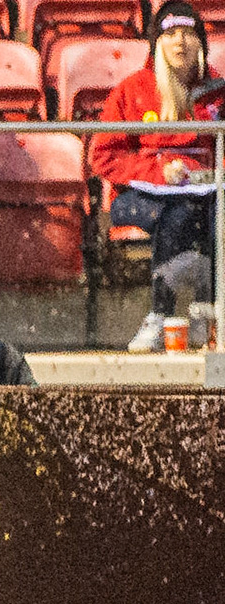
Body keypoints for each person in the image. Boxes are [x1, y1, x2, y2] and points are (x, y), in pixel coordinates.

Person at [88, 1, 225, 352]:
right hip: (137, 199)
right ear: (157, 43)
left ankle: (204, 315)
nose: (180, 42)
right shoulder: (131, 90)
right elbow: (103, 156)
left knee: (212, 216)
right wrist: (159, 172)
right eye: (171, 34)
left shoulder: (219, 92)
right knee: (178, 213)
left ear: (201, 43)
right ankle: (161, 315)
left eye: (189, 34)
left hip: (205, 196)